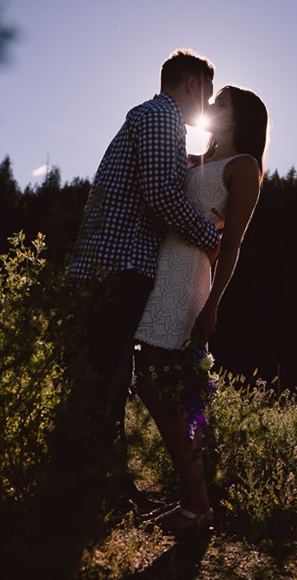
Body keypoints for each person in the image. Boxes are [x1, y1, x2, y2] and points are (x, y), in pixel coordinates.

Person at [65, 49, 220, 506]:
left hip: (113, 265)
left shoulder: (155, 119)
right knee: (103, 378)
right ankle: (94, 490)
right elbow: (160, 194)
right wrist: (207, 237)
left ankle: (101, 485)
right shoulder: (161, 116)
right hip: (116, 266)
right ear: (192, 83)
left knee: (107, 374)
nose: (208, 106)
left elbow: (161, 185)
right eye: (208, 93)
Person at [133, 85, 269, 534]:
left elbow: (232, 246)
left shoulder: (244, 167)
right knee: (159, 383)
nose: (212, 107)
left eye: (221, 102)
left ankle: (197, 505)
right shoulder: (199, 159)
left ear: (240, 117)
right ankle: (193, 499)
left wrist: (214, 304)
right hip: (159, 268)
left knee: (156, 380)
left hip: (187, 276)